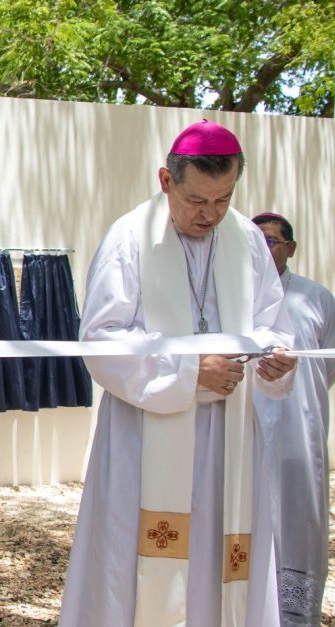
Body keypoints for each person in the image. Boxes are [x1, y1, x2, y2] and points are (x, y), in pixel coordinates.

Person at [58, 120, 298, 627]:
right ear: (167, 180)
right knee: (138, 572)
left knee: (222, 566)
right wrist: (190, 371)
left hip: (229, 439)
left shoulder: (248, 240)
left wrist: (275, 357)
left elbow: (270, 322)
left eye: (223, 199)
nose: (210, 215)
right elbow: (101, 340)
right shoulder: (129, 238)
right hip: (147, 433)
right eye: (197, 201)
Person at [251, 212, 335, 626]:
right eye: (258, 240)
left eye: (273, 241)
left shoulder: (315, 298)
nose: (266, 248)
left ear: (291, 247)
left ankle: (293, 616)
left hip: (297, 433)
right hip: (245, 431)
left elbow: (331, 366)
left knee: (296, 520)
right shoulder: (236, 298)